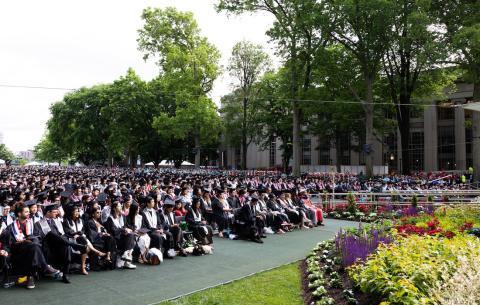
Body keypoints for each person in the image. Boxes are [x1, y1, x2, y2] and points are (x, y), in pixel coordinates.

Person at [3, 204, 61, 289]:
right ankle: (45, 267)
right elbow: (7, 243)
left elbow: (38, 238)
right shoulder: (11, 227)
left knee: (33, 247)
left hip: (32, 249)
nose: (28, 213)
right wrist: (5, 250)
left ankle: (30, 277)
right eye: (26, 212)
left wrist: (28, 240)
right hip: (18, 252)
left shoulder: (32, 224)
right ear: (19, 214)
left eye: (28, 212)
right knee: (34, 247)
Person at [33, 202, 86, 284]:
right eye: (54, 212)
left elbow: (63, 235)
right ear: (48, 212)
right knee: (50, 234)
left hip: (59, 246)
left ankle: (65, 274)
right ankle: (72, 244)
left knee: (66, 246)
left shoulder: (57, 222)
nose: (57, 213)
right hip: (47, 247)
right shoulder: (38, 224)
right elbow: (38, 238)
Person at [63, 204, 105, 275]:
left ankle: (83, 267)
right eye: (75, 211)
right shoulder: (66, 221)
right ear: (71, 212)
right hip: (72, 240)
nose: (77, 213)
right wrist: (74, 234)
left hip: (82, 240)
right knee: (83, 240)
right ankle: (96, 251)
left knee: (83, 241)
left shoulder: (81, 220)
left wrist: (79, 233)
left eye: (78, 211)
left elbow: (83, 231)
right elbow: (67, 231)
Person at [104, 201, 136, 269]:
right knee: (130, 236)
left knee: (131, 234)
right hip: (116, 238)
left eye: (120, 205)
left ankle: (126, 256)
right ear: (114, 208)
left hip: (123, 236)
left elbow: (124, 226)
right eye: (118, 206)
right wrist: (123, 230)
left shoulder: (123, 216)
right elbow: (113, 231)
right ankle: (127, 261)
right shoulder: (110, 218)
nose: (121, 207)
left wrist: (126, 229)